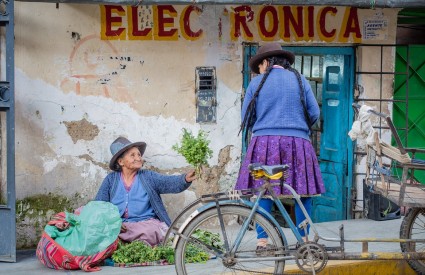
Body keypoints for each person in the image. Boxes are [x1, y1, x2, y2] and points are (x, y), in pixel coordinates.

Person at [235, 42, 325, 253]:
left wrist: (266, 123)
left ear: (266, 62)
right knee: (303, 192)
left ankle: (262, 242)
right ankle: (303, 241)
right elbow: (314, 113)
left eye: (259, 65)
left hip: (264, 144)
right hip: (298, 143)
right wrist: (296, 126)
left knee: (262, 191)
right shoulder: (300, 80)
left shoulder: (255, 84)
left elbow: (246, 119)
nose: (258, 70)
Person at [95, 136, 196, 247]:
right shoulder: (111, 179)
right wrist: (113, 222)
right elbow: (99, 205)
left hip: (145, 225)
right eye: (132, 155)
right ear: (121, 161)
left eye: (139, 154)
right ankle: (123, 243)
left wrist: (185, 179)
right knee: (97, 227)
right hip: (119, 226)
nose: (138, 158)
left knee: (151, 231)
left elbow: (168, 182)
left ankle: (125, 244)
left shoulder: (148, 176)